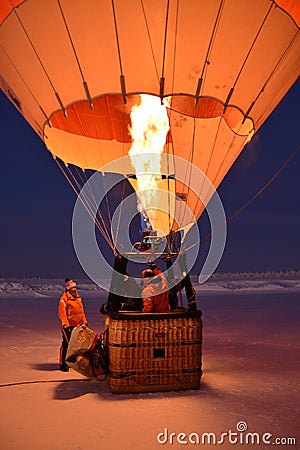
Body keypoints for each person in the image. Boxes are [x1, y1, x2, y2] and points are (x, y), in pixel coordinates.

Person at [58, 278, 88, 372]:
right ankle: (63, 364)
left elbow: (81, 311)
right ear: (68, 289)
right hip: (68, 325)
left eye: (75, 287)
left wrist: (84, 321)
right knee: (66, 344)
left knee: (75, 345)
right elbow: (62, 313)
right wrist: (66, 324)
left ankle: (71, 362)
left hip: (78, 325)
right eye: (72, 288)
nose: (74, 289)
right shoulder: (64, 299)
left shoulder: (78, 297)